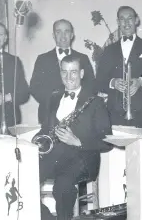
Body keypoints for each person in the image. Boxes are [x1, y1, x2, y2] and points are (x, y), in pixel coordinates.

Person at [34, 55, 113, 220]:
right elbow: (45, 128)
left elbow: (107, 141)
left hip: (82, 158)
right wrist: (35, 143)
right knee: (24, 177)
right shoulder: (54, 97)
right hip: (54, 156)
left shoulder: (96, 102)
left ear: (82, 73)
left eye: (73, 72)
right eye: (64, 72)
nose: (68, 77)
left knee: (62, 187)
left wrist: (78, 141)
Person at [95, 6, 142, 127]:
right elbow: (98, 81)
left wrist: (141, 81)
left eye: (130, 18)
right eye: (122, 19)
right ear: (118, 22)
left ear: (136, 20)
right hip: (115, 114)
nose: (126, 23)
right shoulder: (109, 50)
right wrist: (113, 82)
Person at [30, 19, 95, 124]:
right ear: (53, 35)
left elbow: (91, 85)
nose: (63, 35)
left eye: (67, 31)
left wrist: (77, 102)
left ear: (72, 35)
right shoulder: (42, 59)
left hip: (78, 115)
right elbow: (35, 87)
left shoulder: (83, 58)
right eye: (58, 32)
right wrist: (52, 101)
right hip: (48, 114)